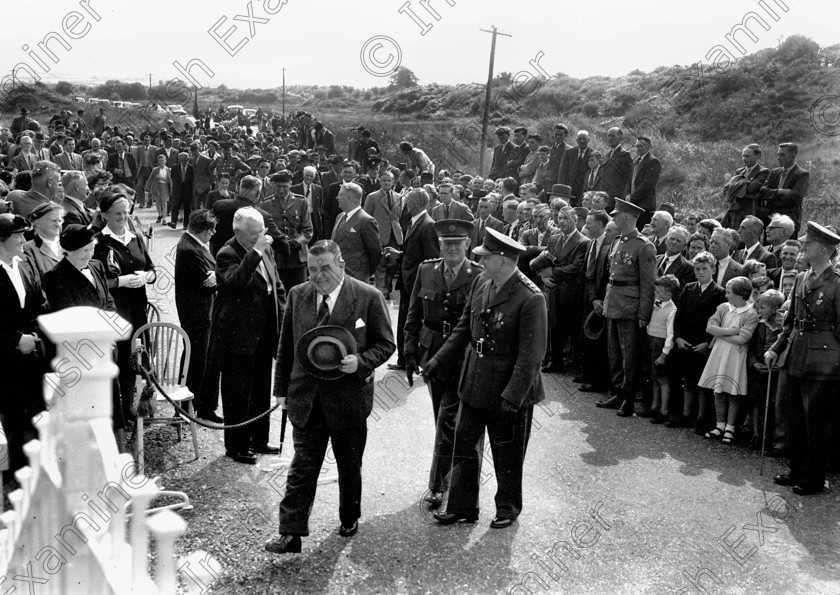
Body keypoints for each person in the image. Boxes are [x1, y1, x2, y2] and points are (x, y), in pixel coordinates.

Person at [265, 240, 395, 554]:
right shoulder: (299, 295)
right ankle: (290, 532)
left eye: (325, 267)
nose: (319, 275)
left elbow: (386, 344)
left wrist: (361, 362)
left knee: (349, 465)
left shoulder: (368, 296)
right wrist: (281, 390)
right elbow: (286, 349)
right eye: (312, 269)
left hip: (348, 399)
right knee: (302, 466)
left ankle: (349, 517)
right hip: (307, 398)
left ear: (341, 263)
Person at [426, 228, 547, 529]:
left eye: (486, 257)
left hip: (509, 386)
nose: (479, 262)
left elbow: (531, 356)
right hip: (476, 378)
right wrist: (438, 360)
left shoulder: (530, 297)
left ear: (504, 261)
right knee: (464, 443)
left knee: (507, 451)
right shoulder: (483, 281)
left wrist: (512, 397)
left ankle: (507, 507)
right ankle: (463, 506)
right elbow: (464, 327)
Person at [404, 219, 481, 510]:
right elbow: (413, 313)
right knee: (442, 418)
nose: (451, 248)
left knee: (450, 421)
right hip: (433, 353)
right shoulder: (427, 270)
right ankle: (450, 483)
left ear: (467, 245)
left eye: (457, 243)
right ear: (439, 245)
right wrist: (410, 350)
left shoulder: (479, 275)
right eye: (446, 243)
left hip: (462, 356)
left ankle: (440, 486)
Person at [766, 222, 840, 495]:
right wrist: (775, 348)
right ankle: (795, 469)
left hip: (823, 363)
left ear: (822, 249)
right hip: (796, 355)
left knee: (817, 423)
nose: (802, 247)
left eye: (807, 244)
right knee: (794, 417)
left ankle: (815, 477)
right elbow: (790, 322)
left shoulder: (837, 283)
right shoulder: (801, 278)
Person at [210, 207, 286, 464]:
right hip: (238, 333)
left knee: (261, 387)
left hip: (264, 330)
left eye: (262, 231)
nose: (260, 237)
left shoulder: (266, 249)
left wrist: (283, 316)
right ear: (238, 233)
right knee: (237, 392)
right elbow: (236, 282)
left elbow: (276, 285)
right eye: (254, 234)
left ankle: (259, 439)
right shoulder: (226, 253)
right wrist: (255, 252)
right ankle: (237, 445)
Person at [43, 224, 125, 442]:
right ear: (68, 251)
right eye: (83, 252)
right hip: (80, 355)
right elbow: (69, 319)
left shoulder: (96, 266)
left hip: (106, 348)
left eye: (91, 249)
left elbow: (108, 303)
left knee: (111, 406)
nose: (89, 255)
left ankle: (117, 451)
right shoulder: (55, 276)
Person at [92, 189, 156, 424]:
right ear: (105, 215)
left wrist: (146, 277)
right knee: (118, 360)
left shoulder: (135, 237)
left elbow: (151, 268)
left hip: (138, 308)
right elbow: (96, 280)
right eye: (117, 213)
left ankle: (135, 406)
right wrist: (120, 282)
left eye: (126, 212)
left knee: (138, 357)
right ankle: (119, 412)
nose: (123, 217)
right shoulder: (99, 241)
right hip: (114, 310)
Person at [595, 199, 656, 416]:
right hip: (613, 302)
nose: (613, 219)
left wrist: (643, 313)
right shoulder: (617, 242)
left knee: (629, 354)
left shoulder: (644, 245)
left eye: (616, 215)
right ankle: (618, 391)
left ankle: (629, 398)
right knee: (614, 352)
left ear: (627, 217)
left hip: (630, 306)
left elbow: (648, 284)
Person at [0, 213, 48, 471]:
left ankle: (37, 468)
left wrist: (34, 336)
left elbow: (39, 303)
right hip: (5, 357)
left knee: (36, 410)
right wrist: (16, 341)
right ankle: (16, 472)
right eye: (18, 235)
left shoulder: (24, 263)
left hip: (32, 353)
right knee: (12, 414)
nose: (23, 239)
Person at [698, 276, 759, 444]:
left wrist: (721, 334)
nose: (726, 295)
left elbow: (742, 339)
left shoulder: (751, 313)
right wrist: (732, 331)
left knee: (733, 393)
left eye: (729, 292)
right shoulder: (723, 307)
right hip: (719, 353)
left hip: (736, 356)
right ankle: (719, 425)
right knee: (718, 390)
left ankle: (730, 428)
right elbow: (709, 327)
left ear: (740, 293)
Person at [175, 210, 221, 423]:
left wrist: (216, 275)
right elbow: (207, 281)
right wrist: (218, 276)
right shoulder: (189, 250)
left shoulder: (194, 244)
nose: (214, 233)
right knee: (197, 360)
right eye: (211, 230)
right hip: (197, 313)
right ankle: (189, 407)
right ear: (203, 230)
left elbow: (212, 274)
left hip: (202, 311)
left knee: (202, 359)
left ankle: (200, 406)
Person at [389, 188, 439, 371]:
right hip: (408, 283)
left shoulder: (427, 225)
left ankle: (414, 361)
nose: (405, 204)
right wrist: (400, 255)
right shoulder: (415, 222)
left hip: (416, 286)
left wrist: (425, 289)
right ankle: (404, 360)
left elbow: (432, 260)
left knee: (413, 323)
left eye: (408, 201)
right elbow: (414, 253)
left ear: (417, 203)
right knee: (405, 322)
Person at [746, 289, 784, 451]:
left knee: (773, 403)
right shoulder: (759, 326)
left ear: (775, 309)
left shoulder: (782, 329)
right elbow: (751, 348)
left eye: (762, 308)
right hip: (759, 368)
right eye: (758, 307)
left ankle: (770, 438)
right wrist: (754, 363)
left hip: (775, 370)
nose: (759, 311)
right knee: (757, 402)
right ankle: (756, 435)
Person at [262, 171, 313, 291]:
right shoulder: (266, 204)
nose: (281, 190)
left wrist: (297, 241)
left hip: (297, 257)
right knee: (278, 292)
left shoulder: (301, 202)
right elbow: (265, 231)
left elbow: (308, 230)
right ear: (274, 185)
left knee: (299, 291)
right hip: (276, 257)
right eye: (278, 186)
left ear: (290, 184)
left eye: (284, 186)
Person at [330, 181, 381, 283]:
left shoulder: (366, 221)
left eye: (340, 195)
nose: (337, 197)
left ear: (348, 198)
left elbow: (375, 252)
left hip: (356, 278)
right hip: (337, 276)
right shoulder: (339, 217)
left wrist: (365, 272)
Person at [363, 171, 402, 298]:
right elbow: (366, 216)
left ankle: (387, 284)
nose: (386, 183)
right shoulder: (372, 197)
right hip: (379, 234)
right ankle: (381, 290)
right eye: (384, 180)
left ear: (393, 182)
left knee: (394, 262)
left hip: (394, 235)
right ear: (380, 181)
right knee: (380, 263)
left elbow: (399, 216)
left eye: (389, 180)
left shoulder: (399, 197)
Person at [646, 275, 680, 424]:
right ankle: (654, 406)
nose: (655, 293)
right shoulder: (657, 303)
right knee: (654, 377)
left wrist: (664, 354)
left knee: (662, 378)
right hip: (651, 341)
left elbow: (670, 335)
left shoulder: (672, 310)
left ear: (668, 295)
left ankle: (664, 410)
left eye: (658, 291)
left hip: (660, 345)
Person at [757, 143, 810, 233]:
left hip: (789, 223)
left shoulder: (802, 174)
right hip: (770, 220)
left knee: (788, 247)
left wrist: (771, 195)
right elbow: (761, 192)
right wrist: (780, 192)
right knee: (768, 247)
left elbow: (795, 196)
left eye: (782, 155)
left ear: (792, 156)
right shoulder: (774, 172)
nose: (778, 158)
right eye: (778, 154)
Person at [720, 144, 770, 229]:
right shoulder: (739, 171)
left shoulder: (763, 171)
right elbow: (726, 189)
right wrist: (744, 183)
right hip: (735, 211)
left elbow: (751, 188)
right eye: (743, 156)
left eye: (747, 156)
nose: (744, 158)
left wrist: (735, 188)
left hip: (751, 212)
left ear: (757, 156)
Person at [625, 136, 660, 230]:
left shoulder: (653, 161)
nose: (637, 149)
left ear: (648, 147)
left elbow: (648, 185)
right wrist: (627, 195)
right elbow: (630, 180)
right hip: (633, 205)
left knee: (641, 232)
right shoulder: (636, 161)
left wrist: (632, 197)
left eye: (640, 146)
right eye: (636, 146)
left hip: (644, 206)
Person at [22, 202, 64, 280]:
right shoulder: (27, 249)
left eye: (60, 220)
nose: (58, 224)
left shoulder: (69, 245)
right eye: (53, 220)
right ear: (37, 223)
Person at [557, 130, 592, 205]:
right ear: (576, 140)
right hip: (569, 188)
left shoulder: (593, 154)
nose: (582, 141)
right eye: (579, 139)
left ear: (588, 140)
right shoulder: (568, 152)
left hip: (583, 191)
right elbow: (562, 172)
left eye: (584, 139)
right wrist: (562, 189)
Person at [146, 154, 173, 225]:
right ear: (158, 162)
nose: (161, 162)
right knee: (158, 202)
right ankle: (160, 214)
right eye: (160, 160)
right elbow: (150, 179)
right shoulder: (155, 169)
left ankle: (164, 219)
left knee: (164, 203)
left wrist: (161, 178)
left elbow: (170, 181)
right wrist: (147, 187)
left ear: (165, 161)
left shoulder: (169, 170)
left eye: (163, 160)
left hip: (165, 187)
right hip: (156, 187)